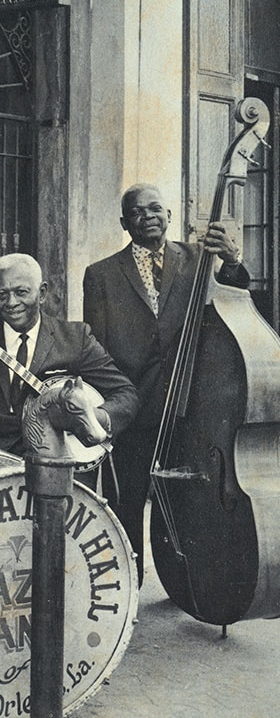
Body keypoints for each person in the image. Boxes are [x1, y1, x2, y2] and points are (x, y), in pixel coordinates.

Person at [82, 183, 248, 585]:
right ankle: (127, 588)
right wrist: (116, 402)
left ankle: (196, 580)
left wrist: (231, 259)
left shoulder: (198, 259)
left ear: (170, 216)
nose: (148, 216)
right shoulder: (100, 274)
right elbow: (96, 351)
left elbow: (235, 296)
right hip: (134, 408)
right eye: (137, 212)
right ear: (125, 224)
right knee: (128, 502)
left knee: (193, 501)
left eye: (156, 208)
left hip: (191, 406)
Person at [0, 253, 138, 464]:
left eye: (21, 292)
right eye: (2, 294)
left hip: (62, 461)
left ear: (42, 293)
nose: (11, 303)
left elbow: (126, 395)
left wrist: (91, 417)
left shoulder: (75, 338)